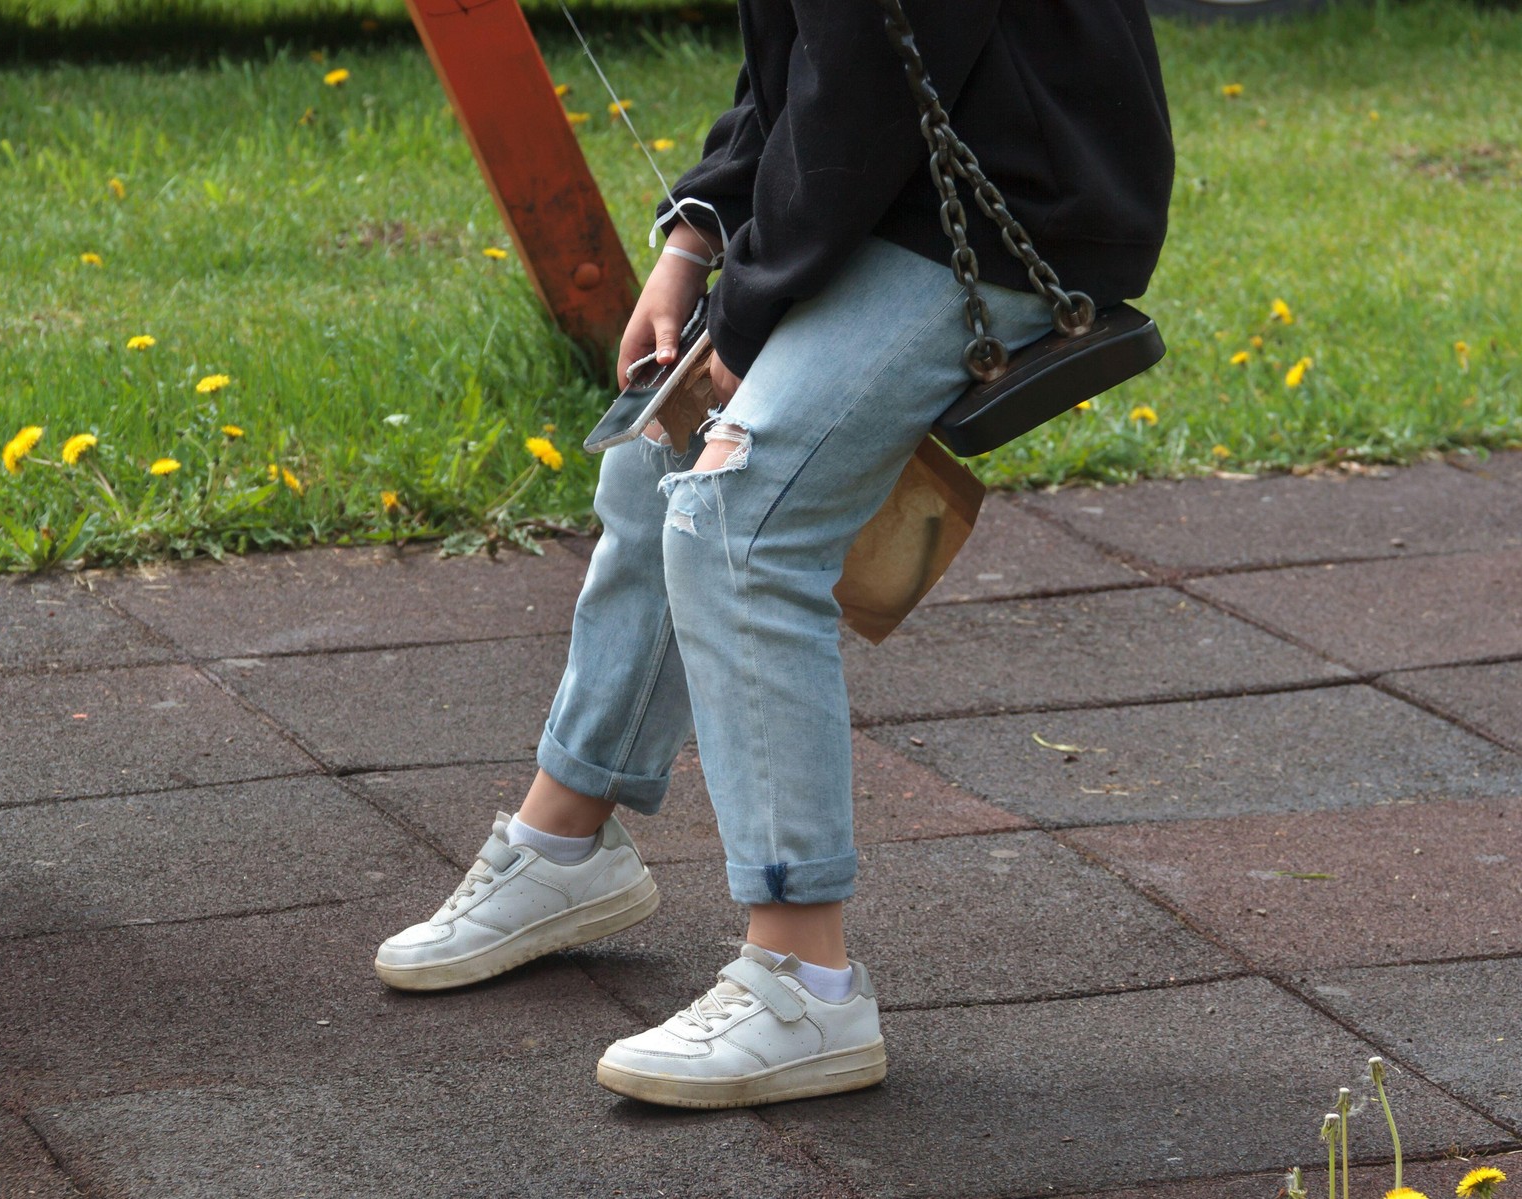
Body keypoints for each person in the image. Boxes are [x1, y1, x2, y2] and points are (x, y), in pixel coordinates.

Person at [376, 0, 1173, 1108]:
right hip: (886, 188)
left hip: (1005, 211)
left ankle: (806, 980)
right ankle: (566, 847)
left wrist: (744, 309)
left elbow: (862, 85)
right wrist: (695, 241)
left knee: (740, 514)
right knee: (658, 459)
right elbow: (799, 66)